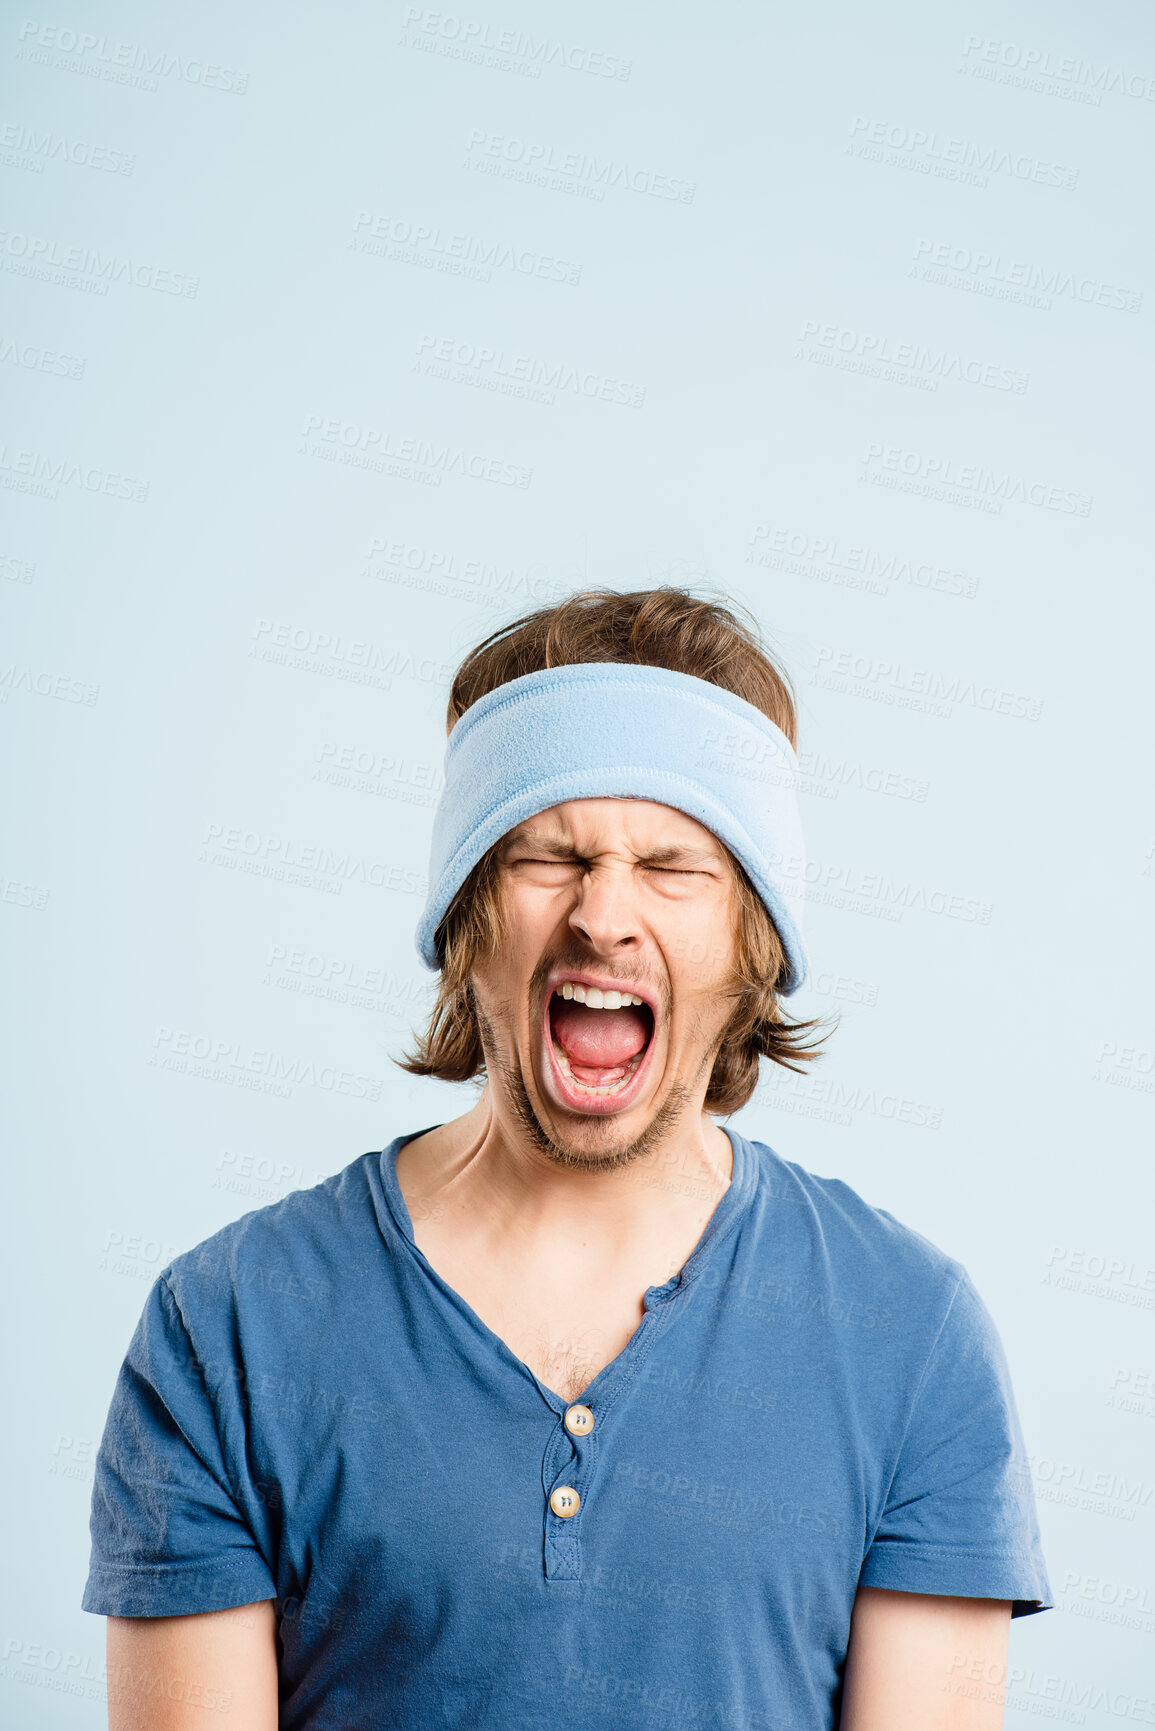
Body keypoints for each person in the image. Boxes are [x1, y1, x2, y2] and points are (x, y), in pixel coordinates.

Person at [84, 588, 1052, 1729]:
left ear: (755, 938)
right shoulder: (229, 1328)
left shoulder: (907, 1333)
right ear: (463, 917)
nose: (603, 915)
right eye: (546, 853)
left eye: (673, 863)